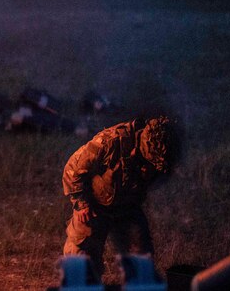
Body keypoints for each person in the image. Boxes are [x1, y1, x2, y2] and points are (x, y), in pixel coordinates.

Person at [62, 116, 175, 277]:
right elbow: (73, 168)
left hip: (127, 207)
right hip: (94, 205)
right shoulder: (111, 141)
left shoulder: (164, 153)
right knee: (80, 261)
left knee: (141, 261)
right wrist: (81, 203)